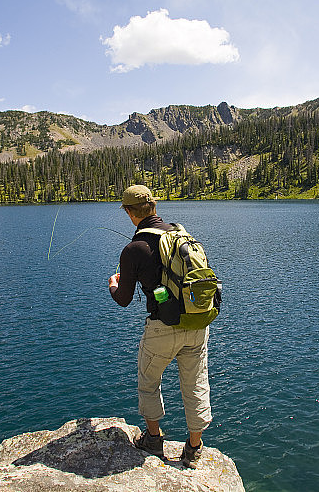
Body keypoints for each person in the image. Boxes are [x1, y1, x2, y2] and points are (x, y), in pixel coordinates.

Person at [108, 184, 212, 469]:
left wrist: (113, 285)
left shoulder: (133, 249)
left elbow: (124, 300)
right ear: (154, 207)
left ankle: (153, 439)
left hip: (162, 328)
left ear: (129, 213)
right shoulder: (180, 234)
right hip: (196, 322)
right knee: (196, 384)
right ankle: (193, 447)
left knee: (149, 380)